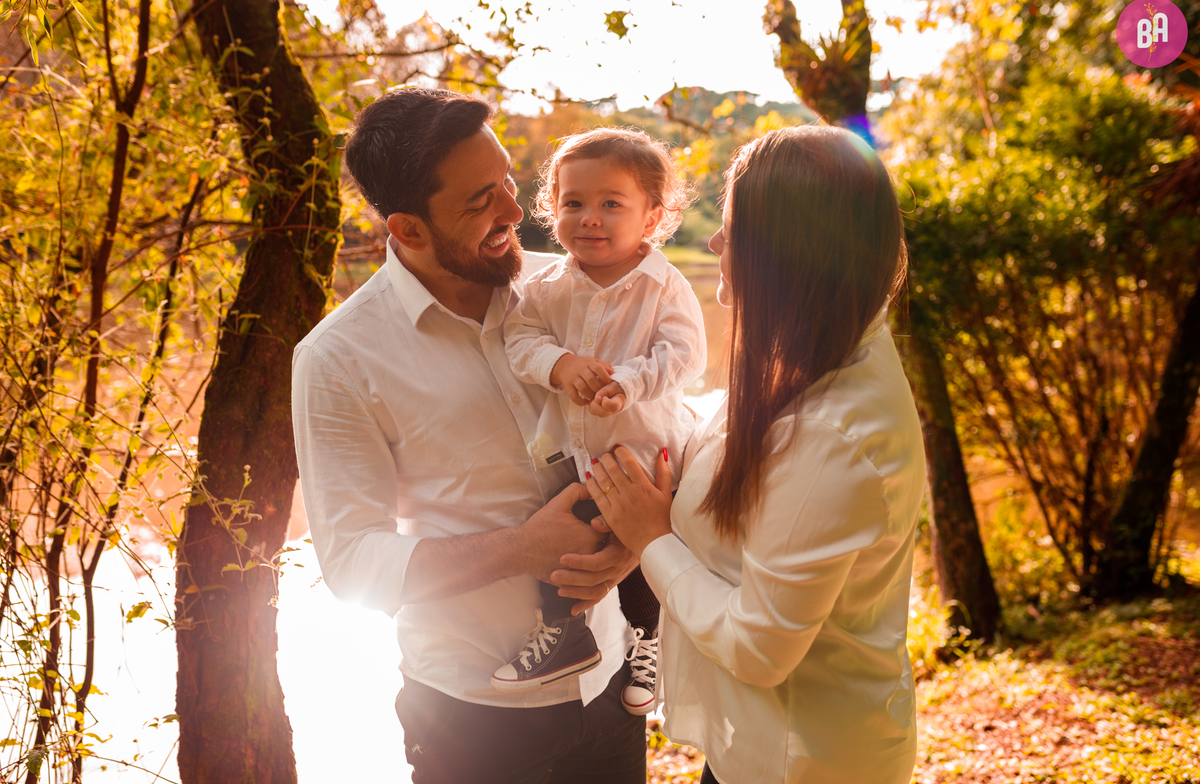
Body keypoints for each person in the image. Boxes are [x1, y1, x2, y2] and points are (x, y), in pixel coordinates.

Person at [291, 88, 647, 783]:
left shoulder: (573, 292)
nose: (516, 211)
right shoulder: (337, 359)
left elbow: (660, 434)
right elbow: (356, 566)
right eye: (482, 199)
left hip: (610, 690)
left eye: (510, 182)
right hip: (471, 724)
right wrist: (525, 549)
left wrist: (632, 544)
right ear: (409, 228)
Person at [583, 125, 926, 783]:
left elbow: (758, 647)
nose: (715, 244)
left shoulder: (835, 432)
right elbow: (740, 453)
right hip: (758, 745)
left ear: (786, 255)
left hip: (806, 760)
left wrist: (651, 538)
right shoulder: (814, 353)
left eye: (733, 229)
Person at [493, 128, 706, 716]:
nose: (589, 218)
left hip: (648, 454)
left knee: (637, 550)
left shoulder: (665, 285)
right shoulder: (545, 288)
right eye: (573, 202)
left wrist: (630, 381)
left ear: (653, 218)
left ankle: (651, 640)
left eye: (612, 203)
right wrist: (560, 367)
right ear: (551, 208)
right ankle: (567, 634)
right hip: (577, 453)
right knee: (559, 537)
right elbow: (521, 340)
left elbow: (686, 355)